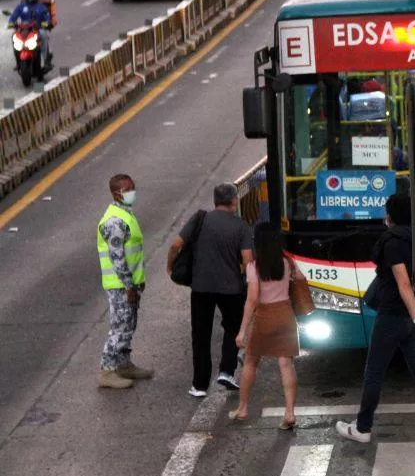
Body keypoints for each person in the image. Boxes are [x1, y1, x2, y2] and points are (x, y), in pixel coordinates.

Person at [336, 195, 415, 444]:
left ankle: (363, 428)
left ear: (390, 215)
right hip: (410, 318)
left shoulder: (392, 243)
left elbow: (403, 283)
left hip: (393, 316)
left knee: (374, 372)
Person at [167, 183, 253, 398]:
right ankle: (226, 371)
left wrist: (170, 266)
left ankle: (199, 385)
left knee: (200, 334)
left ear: (216, 201)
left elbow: (176, 245)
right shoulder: (241, 227)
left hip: (201, 287)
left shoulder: (200, 219)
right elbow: (247, 260)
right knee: (233, 328)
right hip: (231, 288)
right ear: (234, 201)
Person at [231, 223, 300, 429]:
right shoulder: (288, 263)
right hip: (286, 315)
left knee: (251, 362)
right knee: (286, 364)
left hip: (264, 317)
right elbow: (301, 282)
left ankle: (243, 408)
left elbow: (251, 300)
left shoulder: (255, 267)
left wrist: (242, 330)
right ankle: (289, 413)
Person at [97, 174, 153, 389]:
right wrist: (129, 285)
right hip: (120, 285)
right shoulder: (114, 221)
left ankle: (123, 364)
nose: (131, 192)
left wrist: (138, 282)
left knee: (129, 324)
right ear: (116, 193)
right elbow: (117, 256)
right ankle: (107, 370)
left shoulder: (125, 214)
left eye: (132, 187)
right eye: (127, 189)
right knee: (119, 327)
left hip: (131, 283)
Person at [7, 0, 52, 67]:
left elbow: (47, 17)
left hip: (37, 28)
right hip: (24, 29)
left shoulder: (41, 7)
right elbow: (14, 16)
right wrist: (11, 23)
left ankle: (46, 60)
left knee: (44, 35)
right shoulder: (21, 6)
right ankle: (18, 62)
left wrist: (45, 23)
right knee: (14, 37)